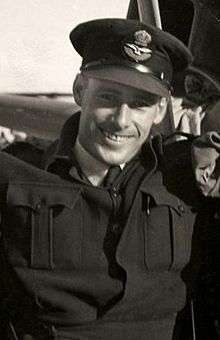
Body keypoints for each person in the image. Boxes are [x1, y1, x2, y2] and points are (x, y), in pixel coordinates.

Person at [0, 18, 219, 340]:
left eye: (141, 104)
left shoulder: (189, 174)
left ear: (159, 111)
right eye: (107, 98)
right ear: (79, 91)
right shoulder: (17, 176)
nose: (121, 121)